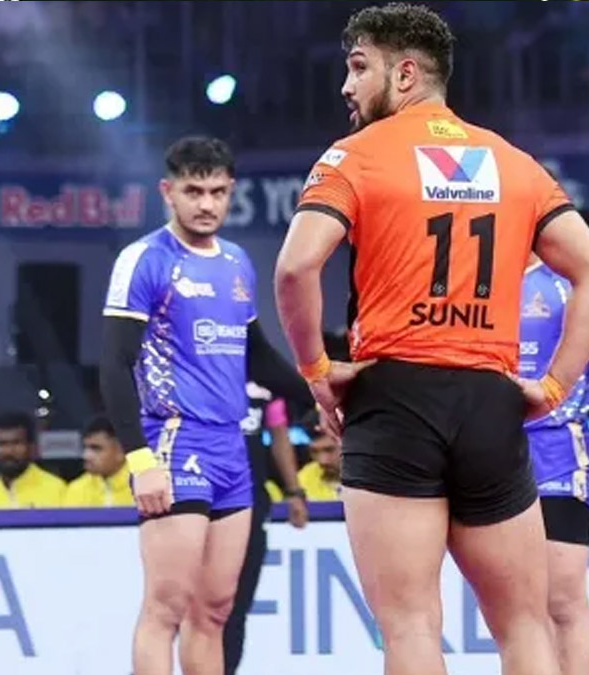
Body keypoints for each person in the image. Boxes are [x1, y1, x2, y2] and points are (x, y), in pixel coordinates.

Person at [273, 4, 589, 675]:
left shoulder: (355, 155)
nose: (346, 86)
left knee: (413, 626)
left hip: (395, 397)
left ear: (406, 73)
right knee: (524, 626)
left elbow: (296, 267)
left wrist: (316, 369)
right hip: (491, 403)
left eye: (359, 67)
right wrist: (556, 383)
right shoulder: (515, 163)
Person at [99, 135, 295, 675]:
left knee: (215, 611)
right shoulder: (145, 260)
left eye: (217, 192)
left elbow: (257, 355)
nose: (206, 204)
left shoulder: (236, 263)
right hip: (173, 441)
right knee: (166, 608)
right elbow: (114, 365)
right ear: (168, 192)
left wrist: (322, 390)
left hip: (232, 448)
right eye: (193, 191)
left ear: (231, 191)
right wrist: (140, 459)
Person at [520, 254, 589, 675]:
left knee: (562, 602)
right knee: (517, 611)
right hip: (485, 449)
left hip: (556, 453)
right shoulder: (474, 274)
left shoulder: (570, 280)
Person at [223, 382, 308, 675]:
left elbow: (279, 433)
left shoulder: (265, 379)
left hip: (251, 503)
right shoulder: (195, 367)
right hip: (200, 502)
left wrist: (293, 491)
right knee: (185, 605)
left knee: (236, 608)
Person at [0, 411, 68, 509]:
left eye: (16, 443)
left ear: (31, 447)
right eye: (2, 444)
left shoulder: (57, 490)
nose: (9, 451)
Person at [63, 416, 133, 508]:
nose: (86, 455)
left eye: (96, 448)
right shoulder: (77, 489)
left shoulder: (143, 486)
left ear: (121, 450)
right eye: (85, 447)